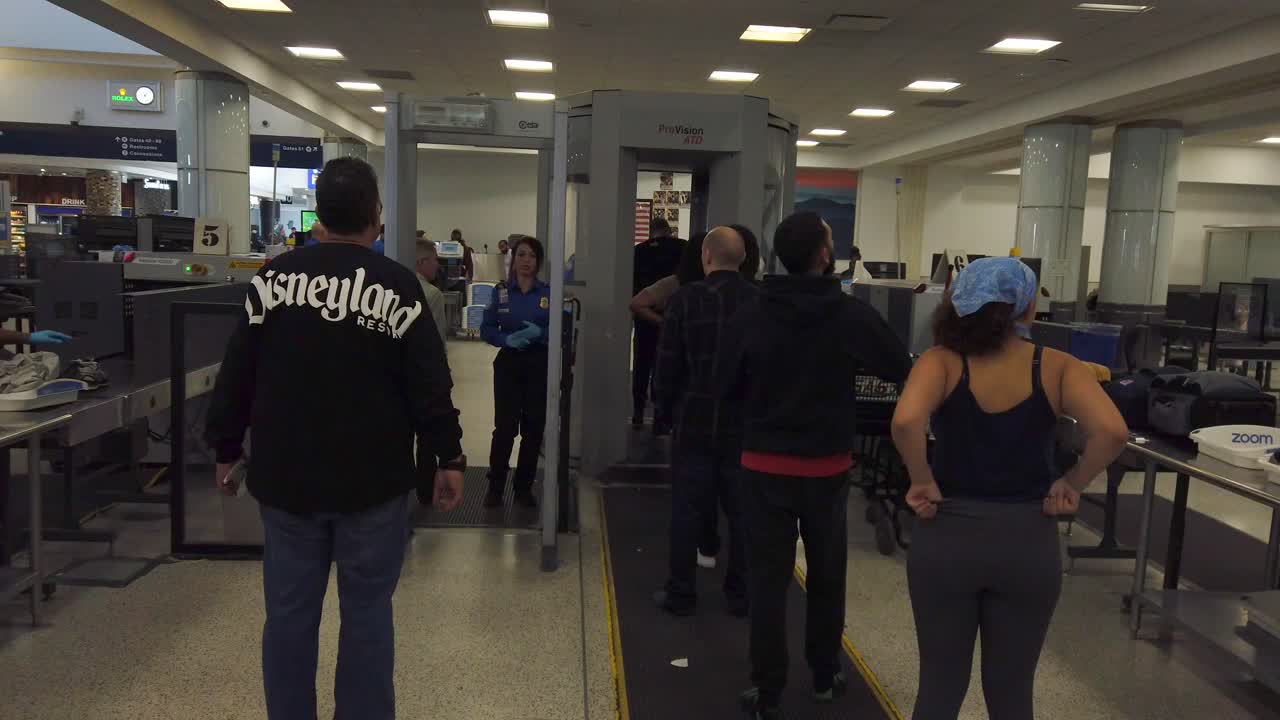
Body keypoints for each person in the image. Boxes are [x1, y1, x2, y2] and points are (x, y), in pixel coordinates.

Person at [204, 157, 466, 720]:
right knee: (368, 617)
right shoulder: (400, 287)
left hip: (287, 481)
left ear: (319, 214)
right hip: (373, 483)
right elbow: (430, 384)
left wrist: (226, 448)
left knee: (290, 618)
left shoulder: (272, 281)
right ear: (376, 217)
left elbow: (237, 374)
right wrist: (450, 455)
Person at [891, 257, 1128, 720]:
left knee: (939, 686)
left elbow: (905, 420)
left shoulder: (941, 361)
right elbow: (1113, 432)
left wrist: (921, 479)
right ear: (1026, 306)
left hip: (947, 539)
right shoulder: (1058, 366)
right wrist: (1072, 482)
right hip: (1027, 542)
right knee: (1012, 690)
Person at [721, 211, 912, 720]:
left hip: (762, 464)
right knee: (828, 574)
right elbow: (901, 367)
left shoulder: (753, 313)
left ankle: (767, 691)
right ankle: (825, 676)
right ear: (824, 256)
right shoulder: (849, 315)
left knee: (768, 581)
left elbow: (724, 383)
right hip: (825, 468)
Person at [652, 226, 759, 618]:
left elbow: (667, 364)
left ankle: (681, 593)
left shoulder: (685, 299)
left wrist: (663, 413)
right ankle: (741, 595)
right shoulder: (760, 302)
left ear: (707, 256)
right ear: (743, 258)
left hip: (693, 421)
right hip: (744, 426)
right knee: (744, 514)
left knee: (686, 510)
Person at [480, 235, 552, 508]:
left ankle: (524, 487)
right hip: (509, 363)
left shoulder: (547, 293)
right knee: (505, 428)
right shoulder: (501, 292)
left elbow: (561, 328)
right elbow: (486, 328)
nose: (525, 261)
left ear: (539, 261)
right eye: (521, 254)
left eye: (532, 256)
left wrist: (541, 334)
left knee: (533, 429)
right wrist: (505, 340)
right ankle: (495, 487)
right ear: (513, 258)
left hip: (538, 363)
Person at [631, 218, 686, 427]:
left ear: (651, 231)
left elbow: (633, 286)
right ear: (669, 231)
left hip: (645, 315)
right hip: (672, 317)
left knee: (642, 363)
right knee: (665, 364)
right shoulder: (682, 248)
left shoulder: (638, 251)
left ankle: (637, 410)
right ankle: (660, 415)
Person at [415, 239, 448, 341]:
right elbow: (438, 337)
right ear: (422, 262)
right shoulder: (433, 294)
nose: (437, 265)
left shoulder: (392, 286)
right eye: (435, 259)